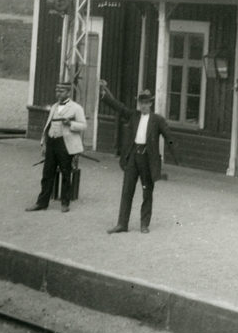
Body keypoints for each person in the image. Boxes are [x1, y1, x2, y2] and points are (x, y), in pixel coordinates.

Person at [100, 80, 173, 234]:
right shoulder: (133, 115)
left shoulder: (157, 120)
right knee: (127, 190)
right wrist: (104, 96)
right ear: (138, 104)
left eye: (146, 103)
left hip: (147, 159)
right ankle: (122, 224)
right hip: (133, 156)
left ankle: (144, 224)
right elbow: (119, 107)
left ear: (151, 104)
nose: (143, 106)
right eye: (141, 103)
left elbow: (169, 137)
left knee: (147, 192)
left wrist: (177, 156)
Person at [27, 81, 86, 213]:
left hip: (65, 144)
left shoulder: (76, 108)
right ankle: (42, 203)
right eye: (57, 91)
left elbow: (83, 126)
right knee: (47, 174)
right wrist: (44, 144)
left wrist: (70, 123)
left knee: (66, 173)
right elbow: (48, 125)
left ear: (69, 93)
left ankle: (65, 203)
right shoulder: (54, 106)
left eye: (61, 91)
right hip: (52, 142)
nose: (58, 94)